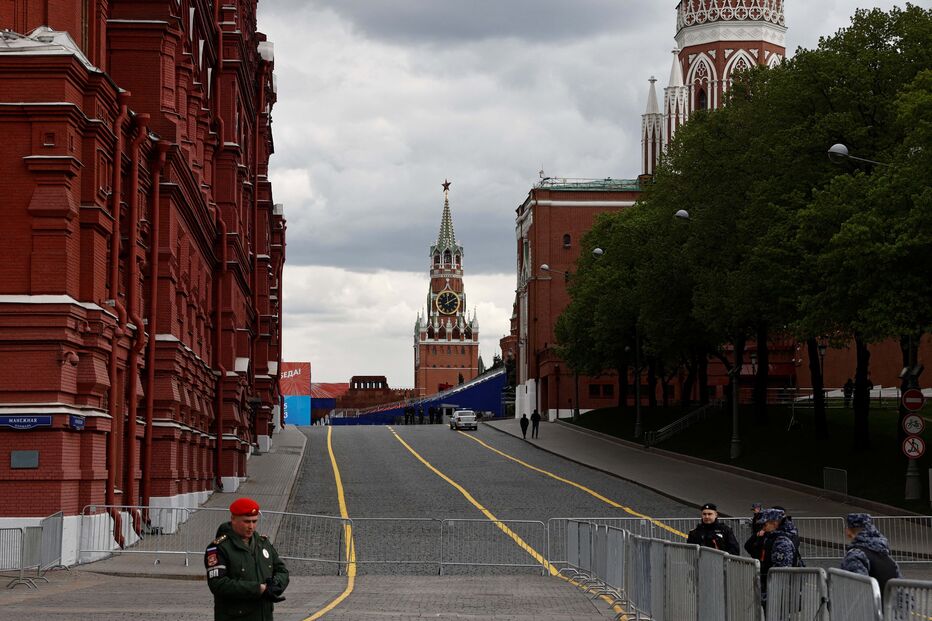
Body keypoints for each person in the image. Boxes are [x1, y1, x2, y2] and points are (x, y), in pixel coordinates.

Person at [205, 497, 289, 621]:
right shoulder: (219, 548)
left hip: (264, 616)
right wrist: (258, 589)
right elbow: (218, 584)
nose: (251, 526)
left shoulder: (262, 543)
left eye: (254, 521)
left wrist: (275, 585)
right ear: (233, 519)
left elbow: (282, 570)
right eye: (246, 521)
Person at [840, 513, 901, 598]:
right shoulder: (889, 559)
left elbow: (856, 590)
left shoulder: (856, 555)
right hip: (891, 610)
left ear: (849, 532)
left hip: (869, 610)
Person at [757, 508, 803, 604]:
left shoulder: (782, 541)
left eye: (765, 524)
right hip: (780, 591)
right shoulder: (779, 536)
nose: (763, 528)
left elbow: (781, 572)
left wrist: (769, 595)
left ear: (774, 523)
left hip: (780, 594)